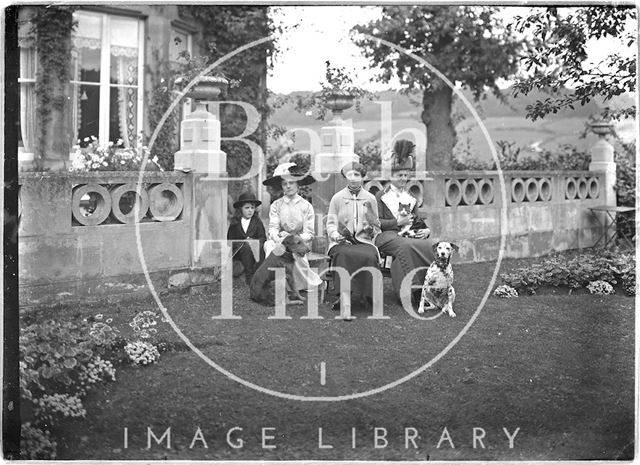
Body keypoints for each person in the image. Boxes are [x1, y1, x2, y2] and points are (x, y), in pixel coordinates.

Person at [375, 139, 435, 305]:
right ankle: (410, 290)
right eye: (399, 175)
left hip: (406, 236)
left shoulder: (410, 198)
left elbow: (418, 222)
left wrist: (426, 230)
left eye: (406, 175)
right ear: (391, 176)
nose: (403, 178)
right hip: (385, 236)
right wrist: (397, 222)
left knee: (429, 244)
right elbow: (376, 223)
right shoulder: (380, 196)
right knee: (406, 246)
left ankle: (426, 288)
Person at [326, 162, 381, 311]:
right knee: (343, 255)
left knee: (369, 256)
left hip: (364, 241)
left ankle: (368, 294)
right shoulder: (337, 198)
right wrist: (336, 235)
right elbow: (330, 224)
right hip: (342, 242)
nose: (353, 178)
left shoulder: (370, 198)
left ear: (363, 177)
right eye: (350, 175)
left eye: (357, 175)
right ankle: (345, 297)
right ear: (345, 177)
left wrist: (371, 230)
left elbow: (376, 225)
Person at [263, 162, 322, 291]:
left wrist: (293, 238)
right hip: (280, 241)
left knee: (295, 252)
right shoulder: (276, 205)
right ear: (281, 186)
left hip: (299, 241)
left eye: (291, 182)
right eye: (284, 184)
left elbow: (309, 233)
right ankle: (275, 283)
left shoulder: (306, 206)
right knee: (269, 245)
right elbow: (273, 227)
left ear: (297, 184)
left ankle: (300, 284)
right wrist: (277, 238)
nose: (288, 186)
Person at [227, 191, 266, 285]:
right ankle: (249, 276)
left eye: (252, 208)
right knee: (246, 247)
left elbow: (263, 238)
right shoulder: (235, 223)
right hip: (239, 253)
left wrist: (254, 242)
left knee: (256, 248)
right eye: (247, 208)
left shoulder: (257, 222)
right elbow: (229, 241)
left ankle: (258, 275)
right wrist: (242, 242)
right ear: (240, 209)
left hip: (255, 252)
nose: (250, 210)